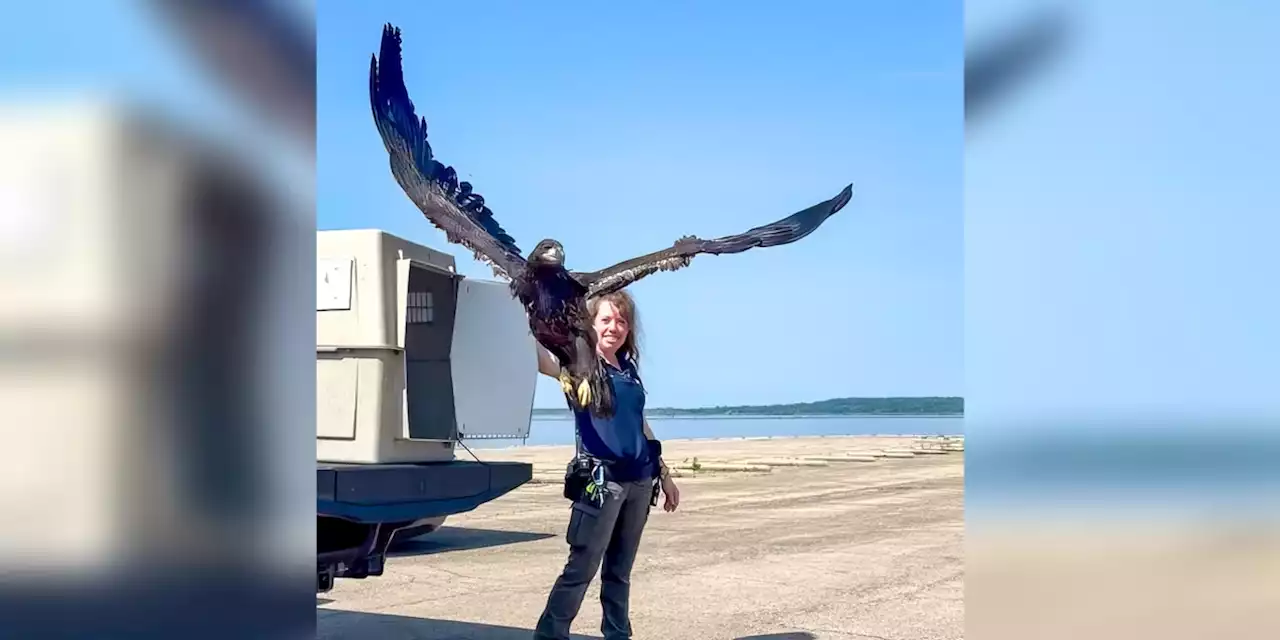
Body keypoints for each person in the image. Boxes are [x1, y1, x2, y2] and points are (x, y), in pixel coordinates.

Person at [532, 290, 680, 640]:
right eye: (606, 320)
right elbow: (539, 358)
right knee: (581, 567)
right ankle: (550, 634)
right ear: (590, 325)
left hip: (641, 482)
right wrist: (529, 306)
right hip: (601, 483)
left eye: (622, 320)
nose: (615, 327)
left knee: (619, 571)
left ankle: (617, 634)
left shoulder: (627, 370)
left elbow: (639, 424)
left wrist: (665, 473)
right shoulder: (576, 365)